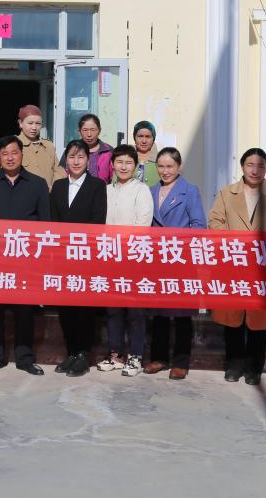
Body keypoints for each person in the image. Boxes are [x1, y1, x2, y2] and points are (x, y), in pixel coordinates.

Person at [210, 148, 266, 386]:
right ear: (242, 166)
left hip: (263, 266)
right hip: (233, 263)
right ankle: (233, 366)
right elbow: (215, 222)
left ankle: (255, 369)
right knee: (232, 320)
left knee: (259, 321)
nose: (255, 170)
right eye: (250, 165)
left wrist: (261, 247)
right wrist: (235, 245)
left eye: (260, 166)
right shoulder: (227, 194)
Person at [0, 135, 51, 376]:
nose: (9, 157)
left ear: (22, 155)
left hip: (26, 258)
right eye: (5, 153)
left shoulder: (37, 184)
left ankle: (25, 358)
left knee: (25, 309)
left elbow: (46, 224)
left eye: (14, 152)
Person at [143, 147, 205, 380]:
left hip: (180, 259)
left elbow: (199, 226)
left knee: (181, 314)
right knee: (158, 313)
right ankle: (159, 358)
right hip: (156, 260)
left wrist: (174, 242)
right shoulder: (150, 191)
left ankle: (181, 362)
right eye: (161, 166)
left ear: (179, 167)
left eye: (170, 166)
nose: (165, 171)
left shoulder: (190, 191)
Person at [50, 140, 106, 377]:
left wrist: (78, 242)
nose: (76, 161)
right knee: (65, 307)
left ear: (88, 160)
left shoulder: (97, 186)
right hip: (62, 256)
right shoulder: (59, 186)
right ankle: (71, 351)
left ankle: (83, 353)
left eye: (80, 157)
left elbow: (98, 220)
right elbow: (53, 220)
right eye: (71, 156)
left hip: (86, 256)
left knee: (84, 307)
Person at [99, 144, 153, 376]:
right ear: (112, 165)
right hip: (109, 257)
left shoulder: (141, 190)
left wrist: (125, 249)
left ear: (135, 166)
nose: (123, 166)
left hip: (133, 258)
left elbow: (143, 224)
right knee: (113, 309)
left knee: (135, 310)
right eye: (119, 162)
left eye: (128, 163)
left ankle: (135, 356)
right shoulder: (105, 190)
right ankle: (115, 354)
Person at [16, 104, 65, 188]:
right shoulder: (14, 145)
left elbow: (59, 170)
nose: (34, 127)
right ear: (21, 123)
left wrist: (53, 187)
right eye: (30, 123)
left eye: (38, 123)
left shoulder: (48, 146)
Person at [61, 113, 114, 183]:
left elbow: (114, 178)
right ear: (79, 132)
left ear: (99, 131)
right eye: (85, 130)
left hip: (103, 189)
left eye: (93, 130)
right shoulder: (71, 150)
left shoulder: (108, 151)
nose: (89, 134)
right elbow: (61, 173)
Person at [131, 120, 160, 186]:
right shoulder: (126, 157)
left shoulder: (161, 159)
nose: (144, 141)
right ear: (134, 138)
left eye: (148, 137)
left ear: (153, 139)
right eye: (140, 136)